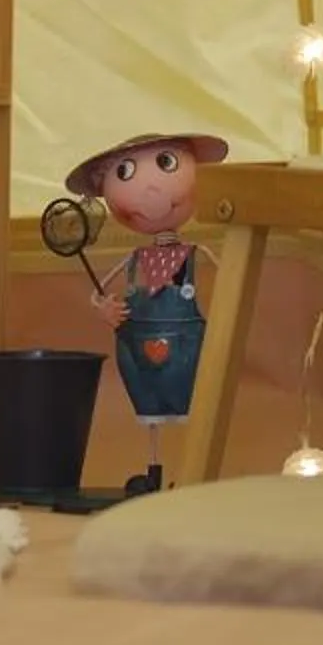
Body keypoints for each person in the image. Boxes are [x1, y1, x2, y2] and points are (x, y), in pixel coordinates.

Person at [68, 132, 230, 496]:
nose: (151, 192)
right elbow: (97, 295)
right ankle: (153, 470)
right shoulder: (135, 259)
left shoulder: (197, 252)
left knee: (197, 409)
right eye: (125, 172)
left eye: (166, 163)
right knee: (152, 420)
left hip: (188, 352)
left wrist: (223, 314)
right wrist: (106, 309)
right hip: (138, 354)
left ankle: (193, 468)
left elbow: (231, 284)